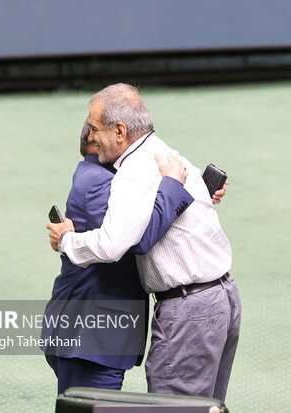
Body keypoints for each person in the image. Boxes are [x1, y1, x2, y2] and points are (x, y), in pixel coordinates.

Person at [46, 83, 241, 402]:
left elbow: (113, 245)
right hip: (223, 299)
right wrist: (199, 193)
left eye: (95, 128)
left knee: (175, 409)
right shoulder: (166, 154)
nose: (90, 135)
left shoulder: (132, 174)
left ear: (120, 130)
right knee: (204, 407)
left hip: (189, 309)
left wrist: (67, 239)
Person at [43, 121, 197, 394]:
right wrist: (174, 188)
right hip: (89, 338)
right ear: (95, 141)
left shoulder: (101, 176)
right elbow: (142, 235)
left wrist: (197, 191)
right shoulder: (99, 182)